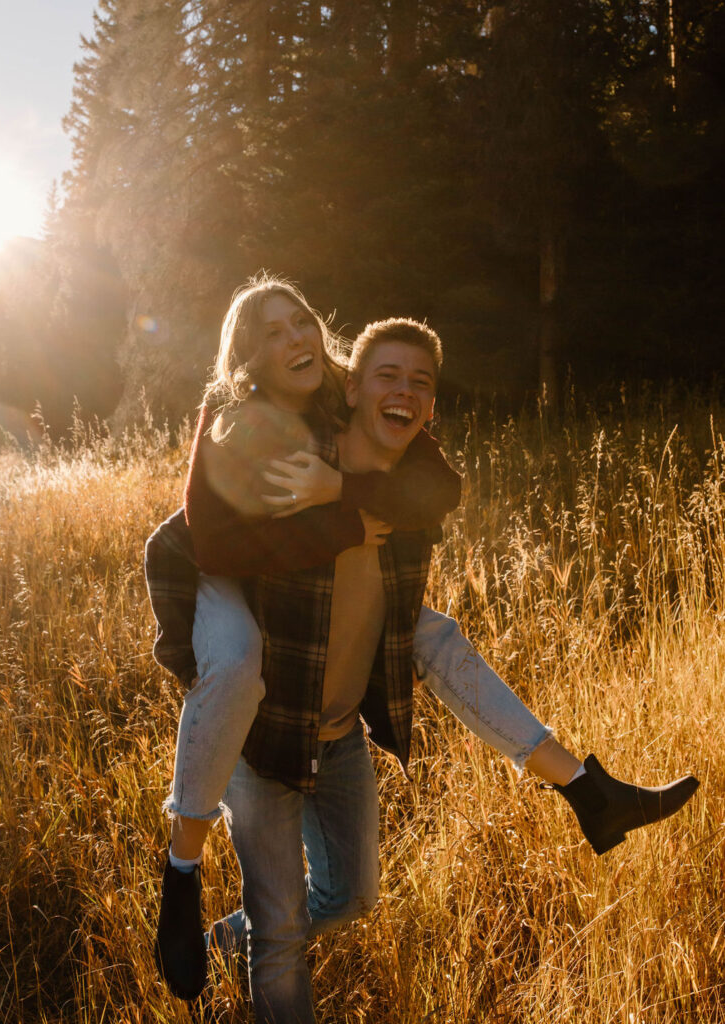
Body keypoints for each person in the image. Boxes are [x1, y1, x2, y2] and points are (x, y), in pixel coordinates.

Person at [145, 282, 699, 1006]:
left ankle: (588, 789)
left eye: (302, 323)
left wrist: (344, 494)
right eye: (271, 333)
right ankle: (184, 878)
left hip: (338, 736)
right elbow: (192, 540)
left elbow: (442, 487)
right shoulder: (265, 438)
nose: (293, 340)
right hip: (267, 737)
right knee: (279, 927)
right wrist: (336, 513)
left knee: (352, 894)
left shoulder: (395, 466)